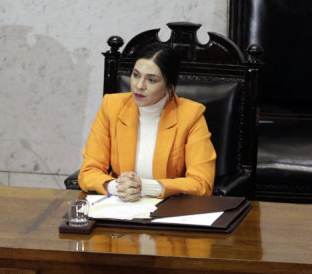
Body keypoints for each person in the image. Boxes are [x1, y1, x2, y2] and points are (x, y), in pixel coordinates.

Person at [78, 44, 215, 199]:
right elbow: (89, 171)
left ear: (169, 85)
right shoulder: (112, 106)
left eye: (151, 80)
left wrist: (146, 187)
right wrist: (116, 187)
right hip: (120, 204)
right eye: (136, 75)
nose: (139, 85)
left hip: (168, 208)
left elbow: (202, 183)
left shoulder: (190, 115)